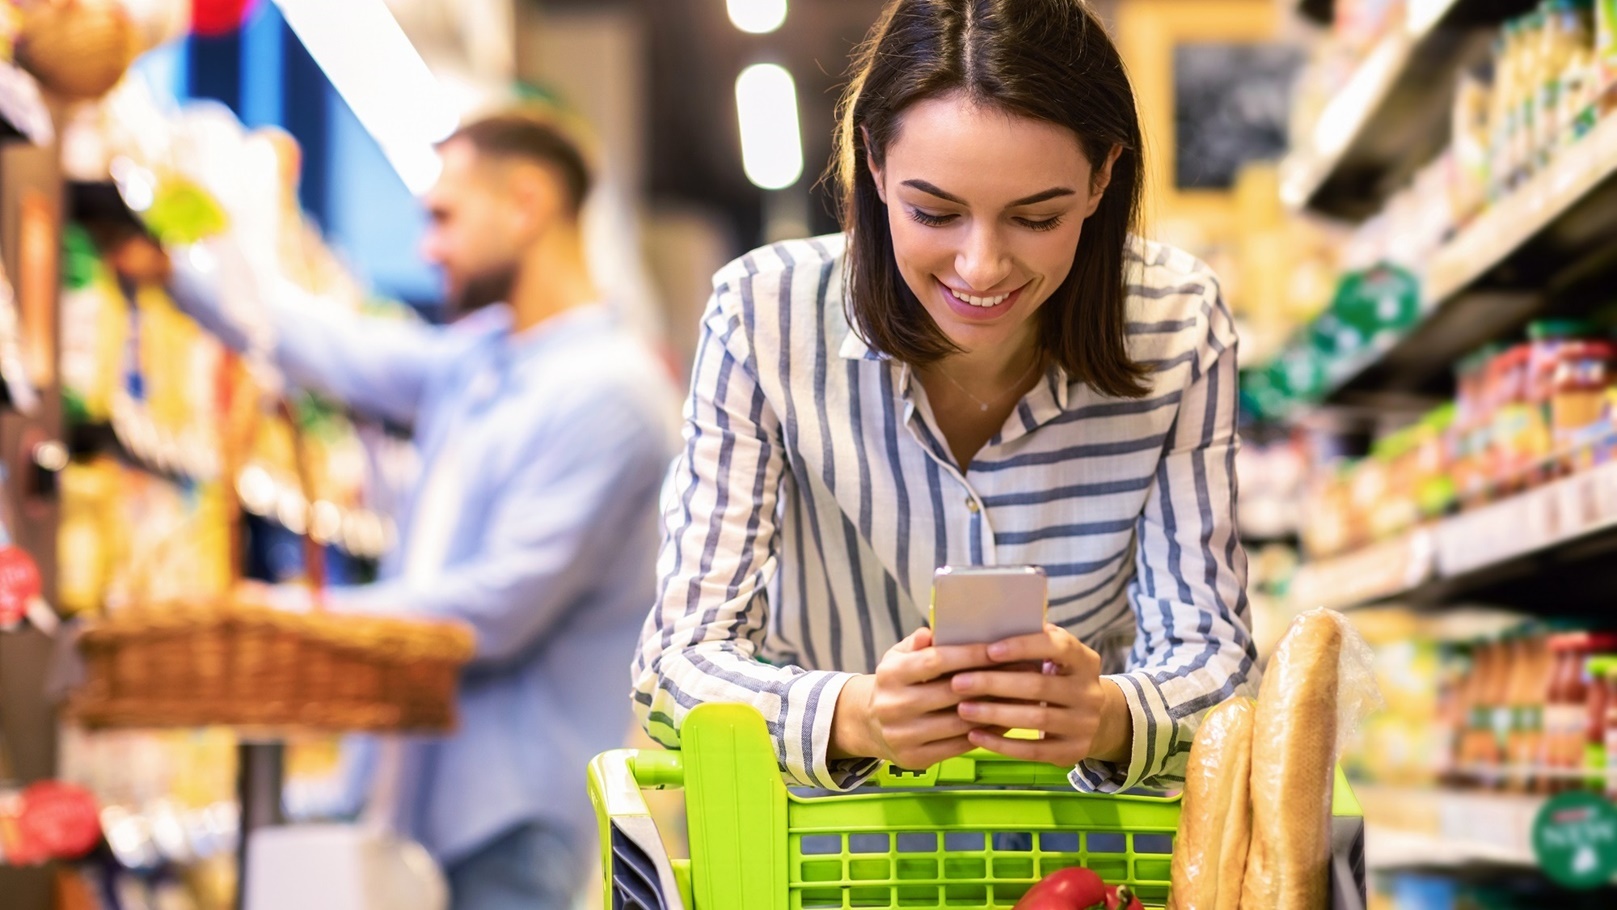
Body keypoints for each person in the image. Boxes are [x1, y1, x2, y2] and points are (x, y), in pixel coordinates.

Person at [634, 0, 1256, 794]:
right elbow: (673, 666)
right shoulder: (762, 318)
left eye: (1037, 216)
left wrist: (1107, 717)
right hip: (829, 852)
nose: (981, 266)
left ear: (1102, 177)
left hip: (1083, 855)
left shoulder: (1177, 323)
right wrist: (855, 714)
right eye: (934, 212)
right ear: (875, 163)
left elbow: (1218, 664)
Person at [162, 112, 679, 909]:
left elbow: (498, 608)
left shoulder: (611, 396)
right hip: (420, 806)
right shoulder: (481, 360)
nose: (425, 250)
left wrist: (300, 617)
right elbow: (332, 348)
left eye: (443, 217)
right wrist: (171, 260)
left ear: (526, 202)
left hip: (511, 826)